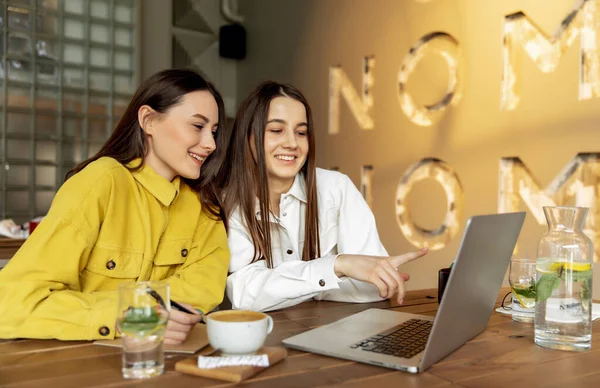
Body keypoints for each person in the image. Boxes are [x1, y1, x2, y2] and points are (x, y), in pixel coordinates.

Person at [0, 69, 230, 344]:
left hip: (166, 363)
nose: (210, 144)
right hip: (74, 365)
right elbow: (11, 304)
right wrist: (128, 316)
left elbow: (203, 290)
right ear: (149, 120)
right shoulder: (100, 182)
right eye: (197, 126)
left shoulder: (204, 205)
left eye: (214, 132)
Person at [220, 81, 428, 312]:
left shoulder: (336, 188)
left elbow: (374, 286)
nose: (292, 143)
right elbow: (245, 294)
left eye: (301, 132)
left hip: (332, 331)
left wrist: (293, 287)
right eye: (276, 130)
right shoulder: (229, 203)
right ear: (246, 136)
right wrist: (337, 266)